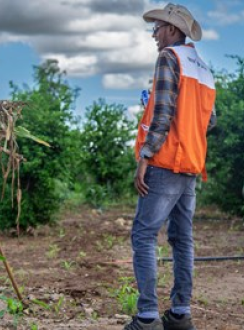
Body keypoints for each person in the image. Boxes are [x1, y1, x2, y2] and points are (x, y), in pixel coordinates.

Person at [125, 3, 216, 330]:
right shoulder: (203, 67)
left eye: (159, 27)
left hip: (166, 162)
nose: (154, 33)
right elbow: (209, 121)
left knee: (144, 235)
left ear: (173, 31)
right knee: (182, 238)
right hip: (191, 165)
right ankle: (180, 313)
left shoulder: (169, 58)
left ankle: (147, 317)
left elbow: (162, 117)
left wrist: (145, 157)